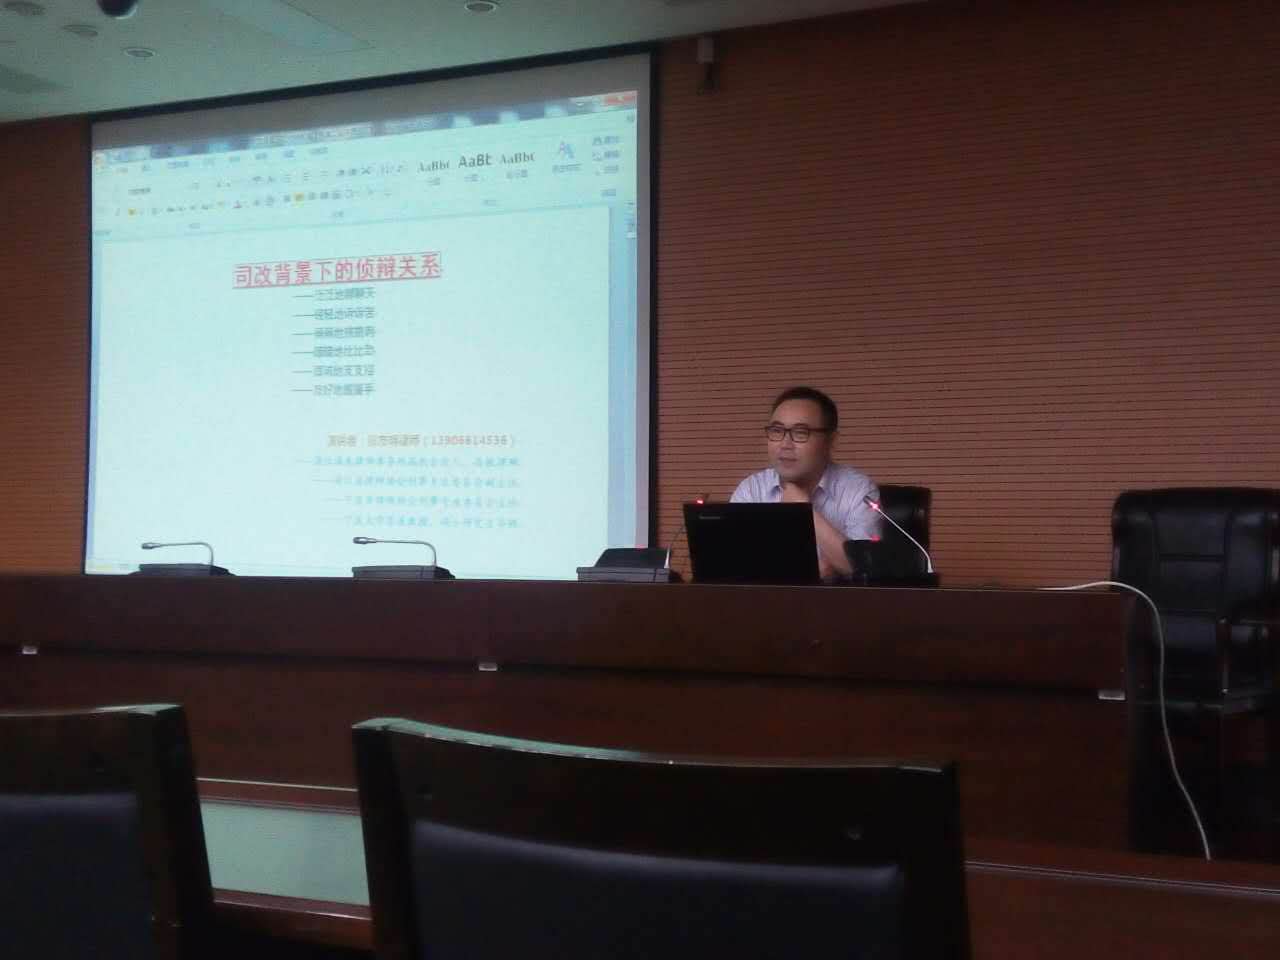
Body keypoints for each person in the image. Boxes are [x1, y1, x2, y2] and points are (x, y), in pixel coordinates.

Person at [731, 386, 880, 578]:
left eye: (801, 433)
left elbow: (864, 568)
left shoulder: (859, 491)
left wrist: (804, 511)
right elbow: (735, 565)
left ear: (830, 440)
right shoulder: (751, 490)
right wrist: (812, 570)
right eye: (777, 431)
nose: (785, 444)